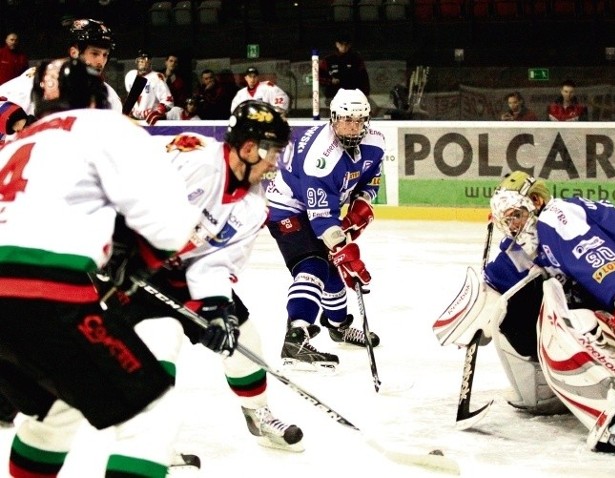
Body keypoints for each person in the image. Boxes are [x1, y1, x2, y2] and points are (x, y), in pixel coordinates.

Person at [0, 57, 217, 477]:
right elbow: (171, 230)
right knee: (150, 415)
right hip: (46, 300)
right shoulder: (104, 127)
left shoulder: (12, 144)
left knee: (55, 412)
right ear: (96, 97)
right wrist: (132, 254)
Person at [107, 99, 304, 451]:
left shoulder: (254, 206)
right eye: (271, 151)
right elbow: (125, 178)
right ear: (248, 148)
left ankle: (258, 414)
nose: (275, 161)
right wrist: (116, 244)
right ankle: (149, 442)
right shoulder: (193, 158)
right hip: (134, 264)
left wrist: (216, 310)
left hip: (182, 272)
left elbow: (216, 263)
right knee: (160, 342)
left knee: (244, 338)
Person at [445, 170, 615, 452]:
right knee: (543, 313)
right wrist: (476, 314)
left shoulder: (557, 218)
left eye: (516, 215)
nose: (512, 226)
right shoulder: (529, 240)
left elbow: (611, 270)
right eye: (506, 220)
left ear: (535, 202)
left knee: (579, 323)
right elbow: (498, 281)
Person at [265, 88, 384, 372]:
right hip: (286, 207)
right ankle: (296, 336)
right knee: (315, 264)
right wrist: (346, 252)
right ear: (333, 118)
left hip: (316, 208)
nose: (353, 127)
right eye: (345, 120)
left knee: (332, 269)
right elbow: (323, 223)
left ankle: (337, 326)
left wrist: (361, 205)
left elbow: (371, 179)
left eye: (359, 120)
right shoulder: (321, 158)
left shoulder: (376, 142)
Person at [0, 18, 122, 130]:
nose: (101, 61)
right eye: (95, 54)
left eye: (105, 55)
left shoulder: (110, 96)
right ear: (74, 52)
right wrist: (20, 123)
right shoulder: (44, 78)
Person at [124, 50, 174, 125]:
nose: (143, 62)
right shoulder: (131, 75)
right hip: (134, 120)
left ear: (150, 62)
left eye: (146, 60)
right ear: (137, 61)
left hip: (150, 121)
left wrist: (157, 112)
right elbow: (130, 97)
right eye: (141, 60)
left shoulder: (156, 77)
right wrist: (127, 112)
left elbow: (168, 101)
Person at [319, 35, 370, 105]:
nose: (344, 46)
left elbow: (364, 78)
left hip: (353, 98)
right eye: (341, 44)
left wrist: (365, 95)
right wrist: (330, 81)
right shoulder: (328, 60)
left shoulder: (356, 59)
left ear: (350, 45)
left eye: (346, 44)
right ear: (337, 44)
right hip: (334, 98)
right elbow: (318, 77)